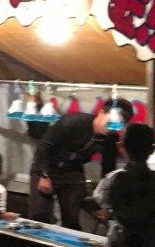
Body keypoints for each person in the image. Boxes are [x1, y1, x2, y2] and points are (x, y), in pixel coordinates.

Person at [29, 98, 134, 230]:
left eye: (118, 125)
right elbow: (44, 145)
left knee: (71, 218)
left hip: (72, 172)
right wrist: (44, 175)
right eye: (110, 121)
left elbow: (107, 169)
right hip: (46, 166)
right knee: (39, 214)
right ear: (101, 112)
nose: (111, 127)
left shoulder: (111, 139)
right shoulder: (74, 121)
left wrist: (105, 203)